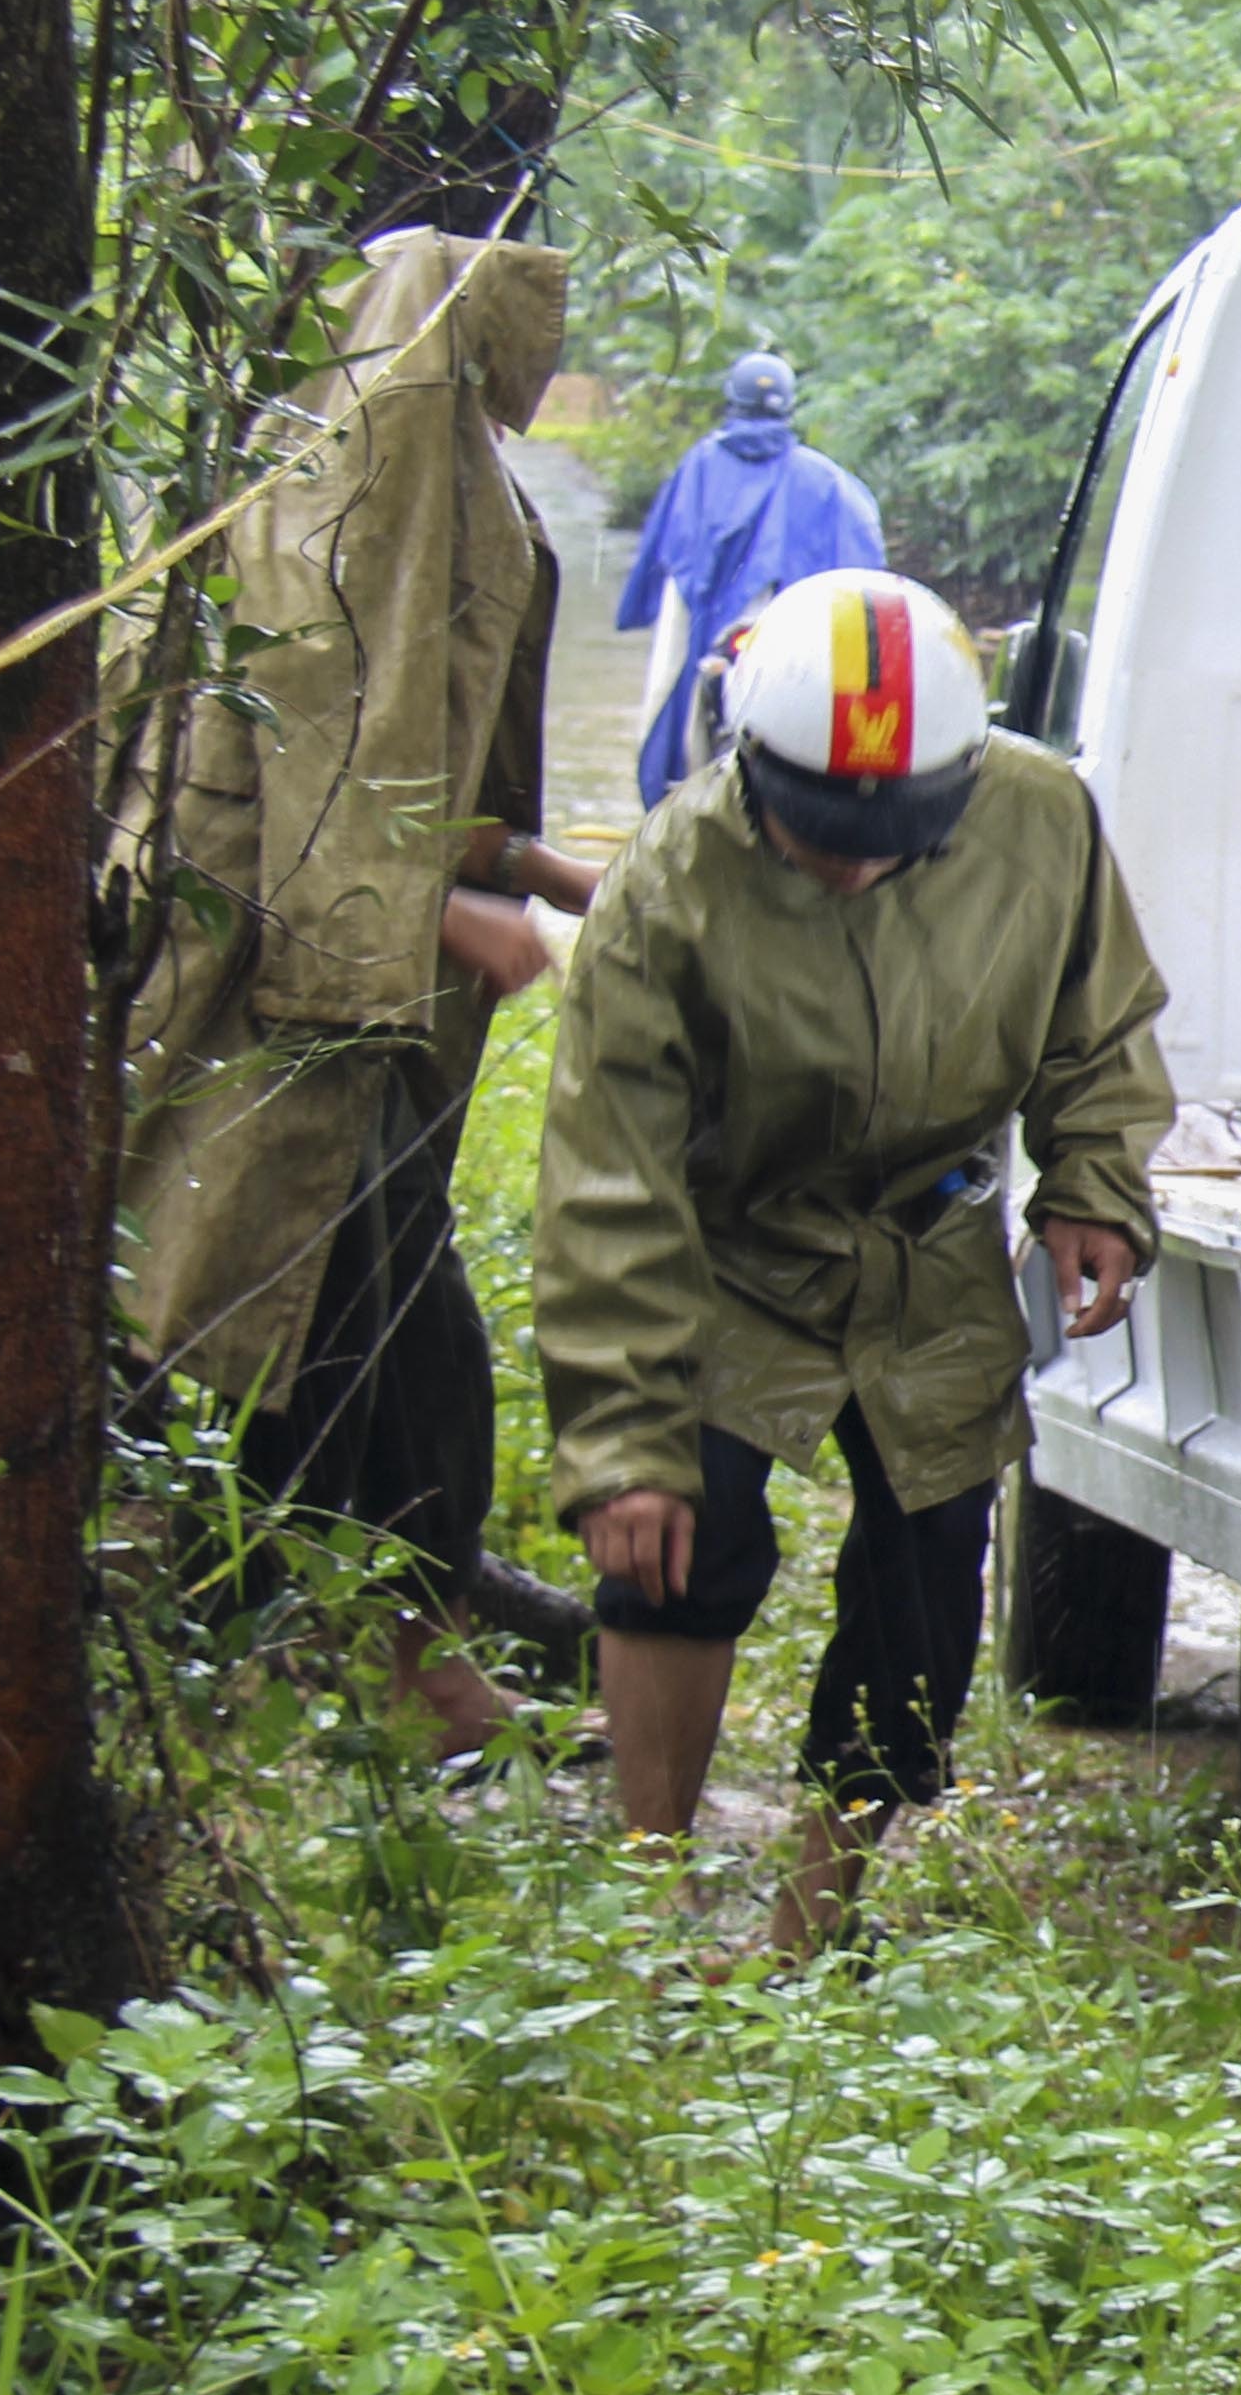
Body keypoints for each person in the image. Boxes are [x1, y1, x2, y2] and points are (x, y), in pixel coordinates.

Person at [536, 566, 1170, 1960]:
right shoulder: (668, 884)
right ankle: (652, 1894)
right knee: (677, 1538)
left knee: (930, 1576)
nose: (861, 864)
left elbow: (1098, 1033)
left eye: (898, 835)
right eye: (826, 833)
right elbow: (608, 1183)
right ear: (753, 766)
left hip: (927, 1248)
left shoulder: (1042, 817)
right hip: (731, 1250)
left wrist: (1094, 1186)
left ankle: (816, 1912)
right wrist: (623, 1435)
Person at [117, 228, 608, 1756]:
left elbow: (410, 744)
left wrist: (524, 863)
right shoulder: (359, 475)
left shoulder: (421, 459)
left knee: (388, 1315)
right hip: (281, 996)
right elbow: (325, 736)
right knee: (314, 1321)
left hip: (336, 988)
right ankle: (386, 1661)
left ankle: (401, 1631)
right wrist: (420, 923)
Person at [616, 352, 887, 808]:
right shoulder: (824, 479)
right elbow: (862, 560)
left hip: (703, 621)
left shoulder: (699, 465)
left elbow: (664, 547)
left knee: (668, 701)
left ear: (732, 401)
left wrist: (637, 605)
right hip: (781, 623)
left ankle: (666, 807)